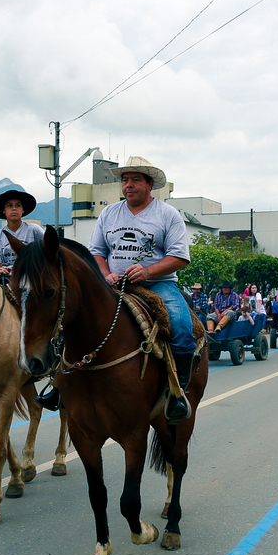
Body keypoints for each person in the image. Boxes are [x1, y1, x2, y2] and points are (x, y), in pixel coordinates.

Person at [86, 156, 195, 423]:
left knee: (182, 327)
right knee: (74, 318)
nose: (128, 185)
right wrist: (106, 275)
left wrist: (147, 271)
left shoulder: (167, 214)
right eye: (125, 180)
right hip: (114, 284)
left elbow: (179, 257)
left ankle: (177, 393)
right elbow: (96, 252)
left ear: (149, 184)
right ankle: (60, 384)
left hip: (159, 284)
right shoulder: (109, 213)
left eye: (135, 180)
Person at [0, 189, 45, 279]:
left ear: (23, 210)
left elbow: (49, 251)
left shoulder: (34, 230)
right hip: (8, 279)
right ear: (4, 210)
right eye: (9, 205)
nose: (14, 208)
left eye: (18, 205)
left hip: (33, 277)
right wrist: (0, 272)